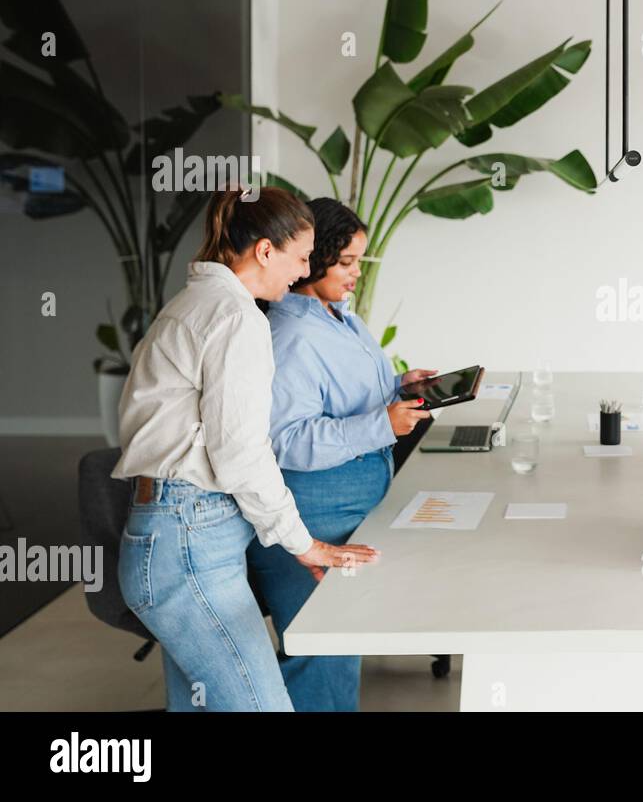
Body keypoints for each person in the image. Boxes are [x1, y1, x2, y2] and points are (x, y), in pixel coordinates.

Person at [113, 187, 380, 712]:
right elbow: (241, 452)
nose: (303, 271)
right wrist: (302, 543)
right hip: (188, 539)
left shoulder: (192, 304)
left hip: (172, 532)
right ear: (265, 250)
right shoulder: (237, 318)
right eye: (301, 258)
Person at [248, 197, 436, 711]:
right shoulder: (291, 334)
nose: (356, 274)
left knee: (339, 643)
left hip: (350, 511)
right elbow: (286, 439)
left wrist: (400, 384)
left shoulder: (339, 320)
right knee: (321, 650)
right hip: (311, 519)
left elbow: (341, 396)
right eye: (347, 262)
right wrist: (383, 425)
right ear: (315, 257)